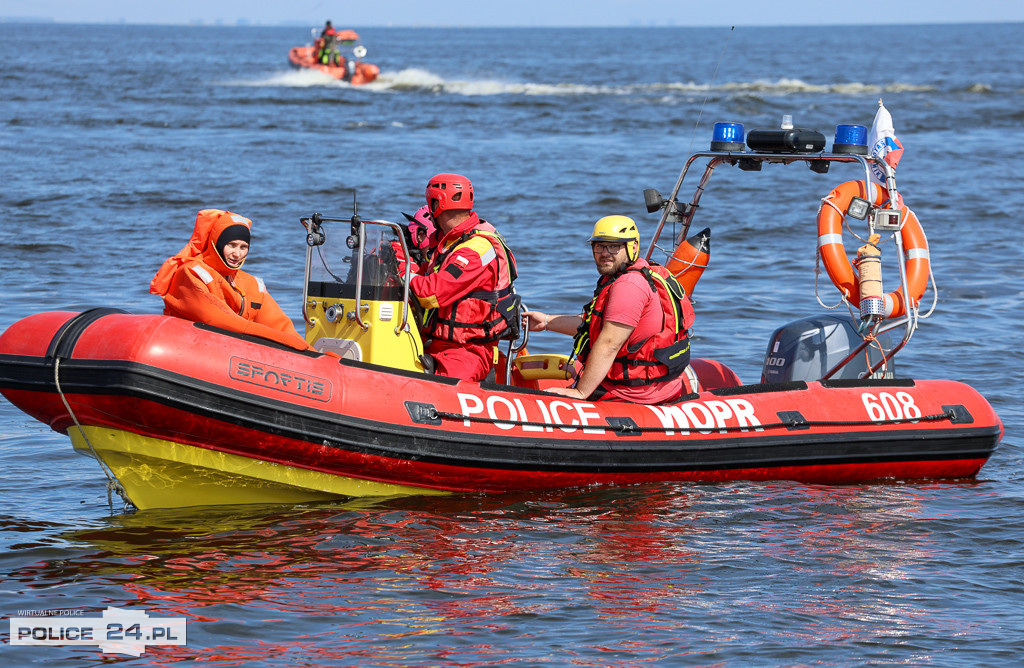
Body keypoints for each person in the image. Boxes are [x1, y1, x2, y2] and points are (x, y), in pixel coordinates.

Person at [524, 215, 696, 404]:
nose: (605, 253)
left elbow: (609, 343)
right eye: (599, 246)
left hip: (634, 392)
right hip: (654, 384)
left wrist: (580, 392)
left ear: (633, 247)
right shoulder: (634, 275)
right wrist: (546, 322)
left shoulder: (629, 286)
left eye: (614, 246)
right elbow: (596, 326)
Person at [150, 209, 313, 352]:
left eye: (243, 247)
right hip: (187, 349)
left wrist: (313, 353)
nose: (237, 254)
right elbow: (219, 319)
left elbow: (281, 326)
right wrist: (285, 341)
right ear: (217, 244)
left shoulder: (251, 284)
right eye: (231, 245)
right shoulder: (190, 273)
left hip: (228, 352)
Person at [407, 173, 519, 382]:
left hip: (467, 350)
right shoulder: (450, 242)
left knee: (442, 392)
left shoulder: (474, 250)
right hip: (432, 340)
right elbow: (426, 274)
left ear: (435, 203)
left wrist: (405, 275)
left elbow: (431, 293)